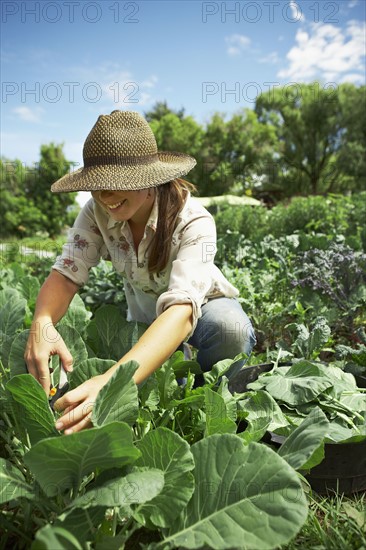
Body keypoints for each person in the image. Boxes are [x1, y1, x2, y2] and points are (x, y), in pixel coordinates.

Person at [24, 110, 256, 435]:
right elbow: (66, 273)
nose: (104, 197)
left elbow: (181, 310)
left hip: (199, 316)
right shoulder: (96, 214)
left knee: (230, 329)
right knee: (153, 383)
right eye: (96, 186)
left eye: (116, 184)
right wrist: (43, 322)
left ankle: (223, 410)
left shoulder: (193, 221)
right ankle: (173, 387)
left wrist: (112, 381)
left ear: (149, 180)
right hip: (145, 322)